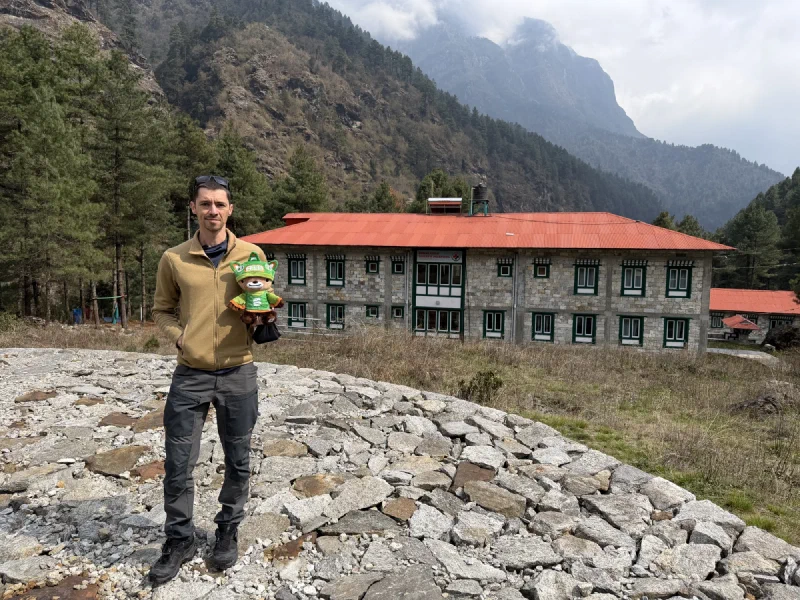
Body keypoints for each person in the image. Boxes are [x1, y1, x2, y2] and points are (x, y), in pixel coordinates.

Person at [149, 175, 266, 585]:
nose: (213, 211)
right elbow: (161, 310)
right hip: (191, 375)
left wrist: (262, 316)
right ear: (194, 209)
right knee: (178, 463)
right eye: (205, 204)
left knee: (238, 460)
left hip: (239, 372)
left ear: (230, 209)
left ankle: (227, 529)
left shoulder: (252, 254)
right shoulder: (175, 258)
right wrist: (179, 337)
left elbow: (264, 299)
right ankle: (179, 538)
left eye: (220, 204)